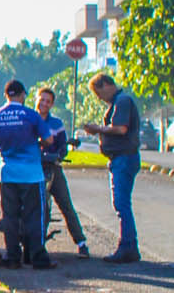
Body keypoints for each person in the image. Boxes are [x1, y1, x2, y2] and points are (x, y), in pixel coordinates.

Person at [0, 78, 53, 270]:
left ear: (6, 95)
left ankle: (12, 256)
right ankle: (37, 257)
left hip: (7, 173)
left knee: (10, 216)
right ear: (23, 94)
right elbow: (48, 139)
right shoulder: (31, 115)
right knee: (34, 216)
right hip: (31, 174)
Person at [82, 72, 142, 263]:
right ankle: (129, 245)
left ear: (106, 85)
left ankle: (128, 247)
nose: (99, 99)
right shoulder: (117, 103)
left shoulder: (122, 101)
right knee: (121, 203)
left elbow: (120, 129)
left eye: (99, 94)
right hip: (121, 158)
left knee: (122, 203)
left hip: (124, 157)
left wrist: (97, 129)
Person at [35, 86, 89, 258]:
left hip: (53, 169)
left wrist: (58, 155)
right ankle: (35, 243)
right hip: (34, 169)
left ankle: (81, 243)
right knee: (35, 207)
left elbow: (62, 147)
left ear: (52, 105)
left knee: (65, 204)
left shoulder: (56, 123)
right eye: (41, 99)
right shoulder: (29, 119)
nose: (43, 103)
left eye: (47, 101)